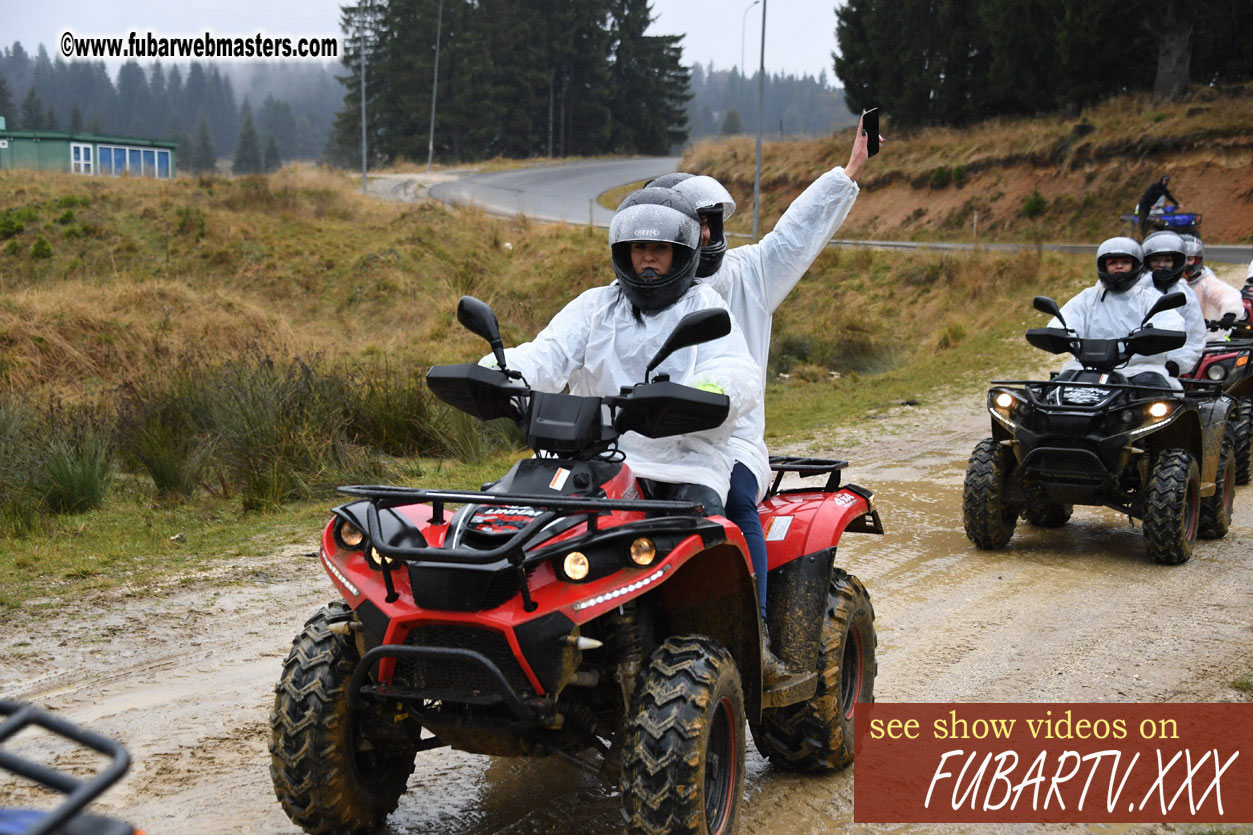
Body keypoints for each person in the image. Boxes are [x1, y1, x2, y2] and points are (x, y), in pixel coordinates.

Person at [647, 112, 882, 677]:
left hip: (732, 439)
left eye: (708, 224)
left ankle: (756, 632)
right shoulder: (644, 289)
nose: (703, 235)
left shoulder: (750, 274)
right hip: (652, 439)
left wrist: (849, 171)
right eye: (691, 225)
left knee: (733, 499)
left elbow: (797, 233)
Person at [485, 187, 761, 518]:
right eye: (639, 247)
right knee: (510, 516)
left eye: (660, 248)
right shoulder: (595, 306)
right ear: (624, 252)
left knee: (703, 527)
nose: (648, 257)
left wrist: (709, 390)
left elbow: (733, 367)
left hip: (681, 466)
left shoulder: (704, 306)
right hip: (589, 458)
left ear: (681, 252)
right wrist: (500, 371)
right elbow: (548, 353)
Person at [1050, 237, 1187, 389]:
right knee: (1050, 392)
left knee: (1157, 395)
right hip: (1086, 368)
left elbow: (1171, 323)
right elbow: (1066, 320)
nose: (1119, 266)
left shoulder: (1150, 298)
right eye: (1113, 262)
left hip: (1139, 369)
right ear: (1103, 266)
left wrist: (1149, 337)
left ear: (1136, 265)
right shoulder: (1088, 297)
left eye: (1125, 262)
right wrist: (1058, 332)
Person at [1137, 232, 1204, 375]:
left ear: (1177, 262)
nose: (1161, 265)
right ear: (1147, 262)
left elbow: (1195, 337)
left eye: (1167, 260)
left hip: (1167, 367)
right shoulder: (1136, 290)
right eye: (1156, 260)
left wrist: (1176, 363)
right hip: (1132, 362)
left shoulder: (1186, 295)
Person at [1180, 234, 1246, 329]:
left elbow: (1226, 294)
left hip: (1206, 334)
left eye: (1189, 259)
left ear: (1198, 260)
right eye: (1181, 259)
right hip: (1174, 334)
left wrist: (1230, 313)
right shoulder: (1166, 284)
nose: (1185, 264)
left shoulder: (1205, 281)